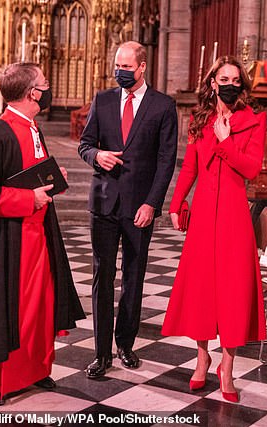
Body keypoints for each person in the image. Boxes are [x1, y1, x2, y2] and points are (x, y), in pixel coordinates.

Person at [0, 62, 85, 407]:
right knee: (6, 311)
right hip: (7, 246)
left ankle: (33, 371)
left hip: (38, 238)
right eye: (44, 83)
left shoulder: (34, 129)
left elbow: (29, 173)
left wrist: (52, 180)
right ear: (31, 93)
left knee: (39, 308)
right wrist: (30, 198)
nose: (47, 88)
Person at [161, 56, 267, 403]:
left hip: (236, 217)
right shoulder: (199, 119)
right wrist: (176, 204)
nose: (230, 84)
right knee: (203, 290)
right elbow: (189, 166)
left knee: (234, 293)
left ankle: (228, 367)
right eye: (224, 78)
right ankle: (201, 357)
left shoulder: (254, 120)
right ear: (213, 83)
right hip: (205, 215)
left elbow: (251, 170)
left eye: (236, 79)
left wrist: (225, 142)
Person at [79, 41, 178, 378]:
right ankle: (101, 353)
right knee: (101, 277)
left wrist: (153, 203)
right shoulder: (102, 100)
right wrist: (97, 156)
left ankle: (125, 344)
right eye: (116, 66)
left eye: (126, 66)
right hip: (104, 202)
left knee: (133, 278)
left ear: (142, 67)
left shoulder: (163, 106)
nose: (120, 71)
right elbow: (84, 144)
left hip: (140, 207)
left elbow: (166, 161)